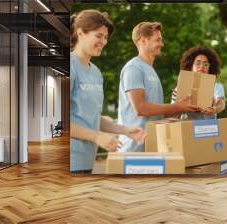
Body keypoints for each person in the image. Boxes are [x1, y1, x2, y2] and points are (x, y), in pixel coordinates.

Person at [70, 9, 146, 173]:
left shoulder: (96, 73)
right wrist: (96, 136)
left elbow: (93, 118)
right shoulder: (69, 67)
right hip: (69, 160)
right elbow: (59, 122)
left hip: (87, 161)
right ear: (81, 33)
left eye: (105, 37)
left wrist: (125, 130)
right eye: (98, 36)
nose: (104, 41)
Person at [117, 22, 200, 152]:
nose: (162, 44)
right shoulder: (133, 68)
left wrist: (183, 107)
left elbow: (157, 115)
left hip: (152, 145)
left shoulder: (151, 71)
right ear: (143, 41)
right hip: (133, 149)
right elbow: (141, 109)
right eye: (158, 40)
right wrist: (177, 106)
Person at [171, 46, 226, 120]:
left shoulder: (216, 86)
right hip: (187, 129)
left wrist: (214, 109)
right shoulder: (180, 87)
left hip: (207, 129)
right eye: (198, 63)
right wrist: (179, 105)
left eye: (205, 64)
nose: (201, 67)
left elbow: (221, 103)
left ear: (210, 68)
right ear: (191, 66)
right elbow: (173, 116)